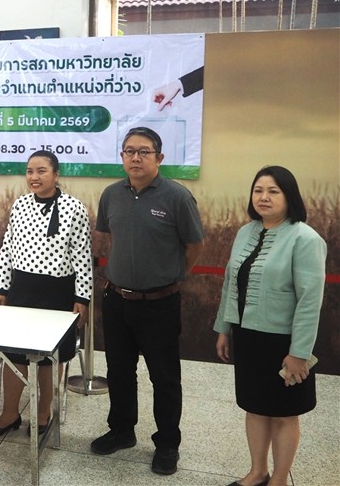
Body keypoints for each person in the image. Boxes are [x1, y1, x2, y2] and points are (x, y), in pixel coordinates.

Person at [90, 126, 204, 476]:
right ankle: (122, 431)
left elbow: (194, 245)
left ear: (159, 158)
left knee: (164, 377)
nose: (136, 157)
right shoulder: (112, 194)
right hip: (117, 299)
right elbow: (110, 237)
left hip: (159, 304)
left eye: (144, 151)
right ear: (122, 156)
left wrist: (173, 275)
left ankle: (167, 443)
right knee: (119, 371)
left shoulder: (177, 197)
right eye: (129, 151)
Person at [214, 166, 326, 486]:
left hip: (284, 342)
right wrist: (224, 328)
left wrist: (299, 353)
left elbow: (309, 302)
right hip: (249, 336)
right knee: (255, 407)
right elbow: (230, 284)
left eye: (273, 191)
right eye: (258, 190)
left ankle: (278, 480)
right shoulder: (245, 232)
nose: (264, 197)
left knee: (284, 413)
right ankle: (257, 472)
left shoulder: (305, 239)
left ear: (290, 196)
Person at [0, 150, 93, 438]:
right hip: (22, 290)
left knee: (48, 357)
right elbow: (8, 248)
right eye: (30, 171)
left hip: (58, 293)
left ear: (56, 174)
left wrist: (82, 298)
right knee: (14, 354)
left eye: (41, 171)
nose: (34, 177)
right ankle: (9, 414)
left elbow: (82, 256)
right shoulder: (20, 204)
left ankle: (43, 413)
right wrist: (1, 289)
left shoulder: (74, 207)